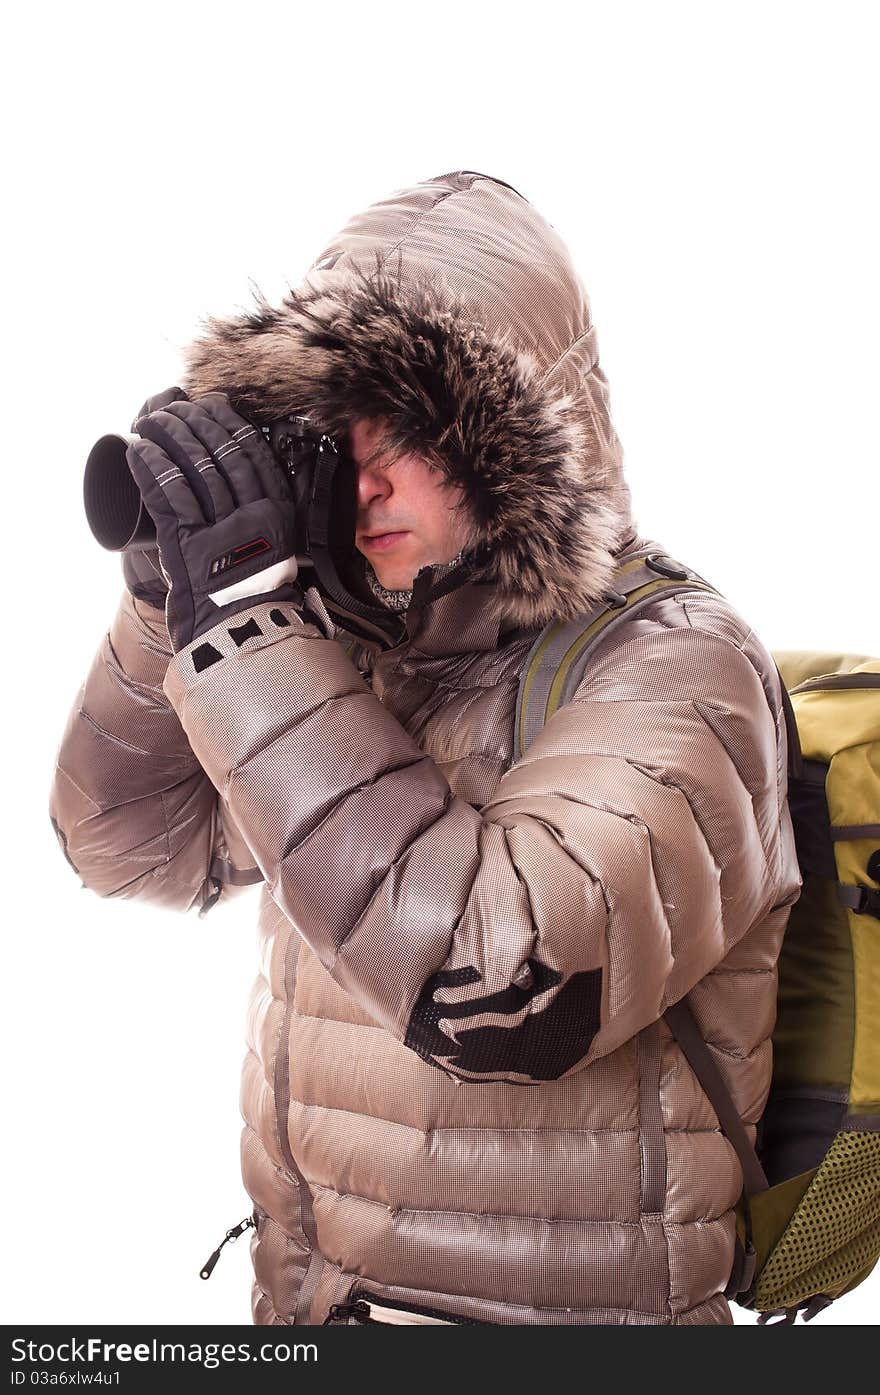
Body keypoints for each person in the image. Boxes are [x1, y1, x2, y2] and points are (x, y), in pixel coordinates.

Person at [49, 169, 802, 1326]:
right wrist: (170, 606)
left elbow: (495, 987)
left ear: (525, 453)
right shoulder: (337, 648)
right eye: (331, 430)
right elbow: (126, 846)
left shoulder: (681, 667)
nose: (365, 476)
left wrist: (251, 625)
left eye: (414, 428)